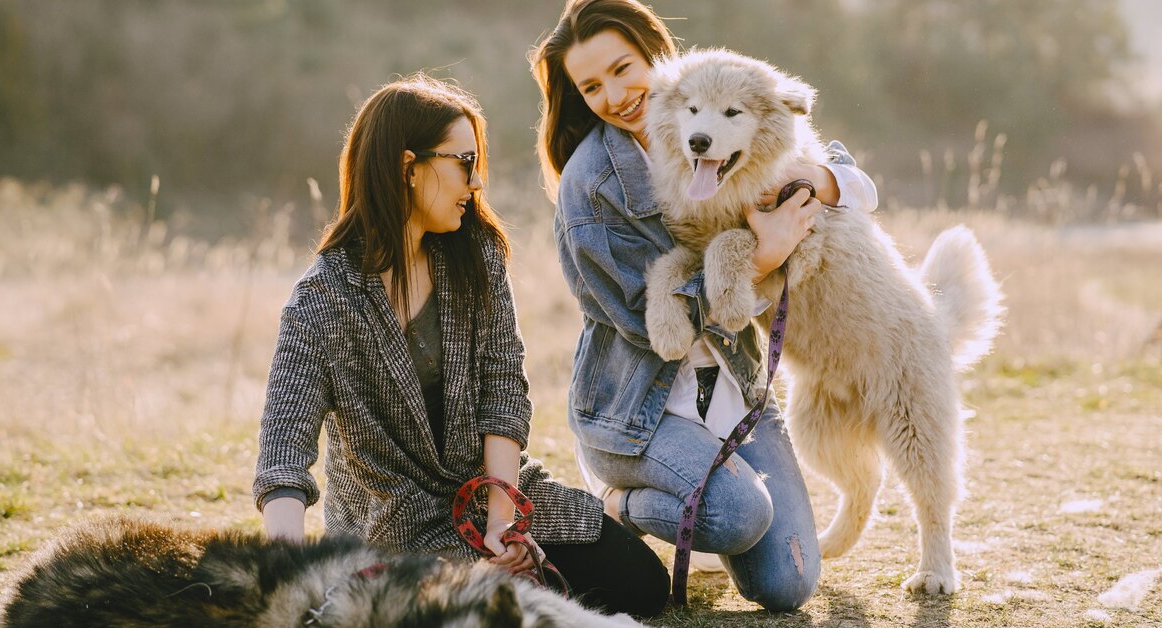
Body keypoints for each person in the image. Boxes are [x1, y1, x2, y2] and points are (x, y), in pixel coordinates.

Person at [252, 74, 669, 618]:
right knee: (465, 610)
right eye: (463, 163)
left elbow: (503, 392)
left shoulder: (476, 255)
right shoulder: (322, 298)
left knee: (642, 587)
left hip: (492, 493)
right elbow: (284, 451)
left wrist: (504, 522)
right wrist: (289, 578)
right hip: (392, 527)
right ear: (408, 167)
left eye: (478, 164)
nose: (476, 184)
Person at [530, 0, 879, 612]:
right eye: (591, 86)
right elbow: (647, 325)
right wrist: (762, 257)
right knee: (740, 514)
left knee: (787, 585)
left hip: (734, 384)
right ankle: (618, 502)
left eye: (623, 68)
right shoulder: (591, 186)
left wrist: (824, 182)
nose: (615, 95)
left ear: (657, 55)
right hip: (637, 406)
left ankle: (709, 501)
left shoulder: (715, 105)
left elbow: (843, 178)